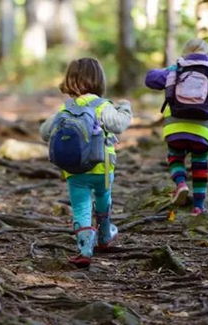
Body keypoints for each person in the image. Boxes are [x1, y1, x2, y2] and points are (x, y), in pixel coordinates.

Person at [40, 58, 132, 266]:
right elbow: (118, 125)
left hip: (75, 171)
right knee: (103, 199)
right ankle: (105, 236)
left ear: (70, 81)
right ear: (99, 80)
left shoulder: (66, 109)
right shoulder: (102, 106)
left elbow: (44, 133)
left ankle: (84, 249)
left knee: (81, 207)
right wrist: (125, 107)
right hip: (103, 167)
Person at [145, 39, 208, 216]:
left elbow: (150, 79)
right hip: (203, 129)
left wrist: (170, 73)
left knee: (175, 158)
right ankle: (198, 206)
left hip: (175, 127)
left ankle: (180, 184)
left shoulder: (176, 69)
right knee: (200, 164)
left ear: (185, 53)